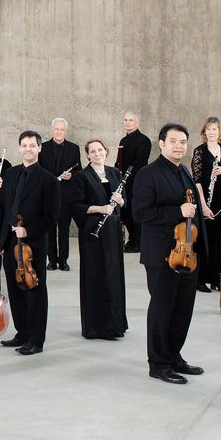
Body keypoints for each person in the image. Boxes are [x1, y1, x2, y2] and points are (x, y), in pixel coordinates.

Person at [133, 123, 205, 385]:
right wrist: (178, 211)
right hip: (161, 254)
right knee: (163, 308)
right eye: (173, 141)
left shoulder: (184, 171)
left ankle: (174, 356)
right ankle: (158, 364)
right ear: (161, 144)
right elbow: (140, 213)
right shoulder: (147, 174)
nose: (179, 146)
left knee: (182, 308)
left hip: (187, 253)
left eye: (183, 142)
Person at [0, 131, 59, 356]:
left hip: (33, 245)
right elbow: (2, 209)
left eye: (32, 145)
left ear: (40, 148)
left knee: (34, 289)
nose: (28, 149)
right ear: (19, 148)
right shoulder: (10, 174)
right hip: (11, 242)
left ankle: (36, 339)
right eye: (24, 145)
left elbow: (52, 217)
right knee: (16, 288)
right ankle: (22, 333)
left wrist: (28, 230)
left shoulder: (49, 180)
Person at [70, 139, 127, 340]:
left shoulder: (115, 173)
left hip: (112, 233)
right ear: (87, 155)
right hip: (92, 233)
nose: (97, 154)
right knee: (95, 276)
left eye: (100, 150)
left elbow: (123, 202)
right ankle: (96, 327)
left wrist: (121, 201)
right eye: (92, 151)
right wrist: (100, 209)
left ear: (106, 151)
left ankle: (115, 325)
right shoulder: (81, 177)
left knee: (113, 275)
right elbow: (75, 206)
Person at [191, 117, 221, 293]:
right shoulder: (199, 151)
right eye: (208, 129)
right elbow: (197, 181)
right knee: (203, 241)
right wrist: (203, 206)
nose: (211, 132)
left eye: (214, 129)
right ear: (204, 132)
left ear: (219, 131)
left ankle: (215, 278)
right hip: (205, 201)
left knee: (218, 240)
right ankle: (200, 279)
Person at [42, 118, 82, 271]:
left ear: (66, 131)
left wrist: (71, 176)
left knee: (64, 229)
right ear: (52, 131)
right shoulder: (42, 148)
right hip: (48, 195)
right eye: (56, 129)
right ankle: (52, 260)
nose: (59, 132)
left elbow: (79, 170)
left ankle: (63, 260)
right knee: (50, 229)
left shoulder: (74, 148)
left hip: (66, 195)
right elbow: (38, 168)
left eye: (62, 130)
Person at [116, 111, 151, 253]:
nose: (128, 122)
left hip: (136, 182)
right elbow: (119, 162)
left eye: (131, 120)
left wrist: (126, 177)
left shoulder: (144, 141)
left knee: (133, 212)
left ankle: (138, 242)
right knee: (125, 212)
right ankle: (132, 239)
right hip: (123, 182)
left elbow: (140, 163)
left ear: (137, 123)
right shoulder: (123, 141)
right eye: (125, 120)